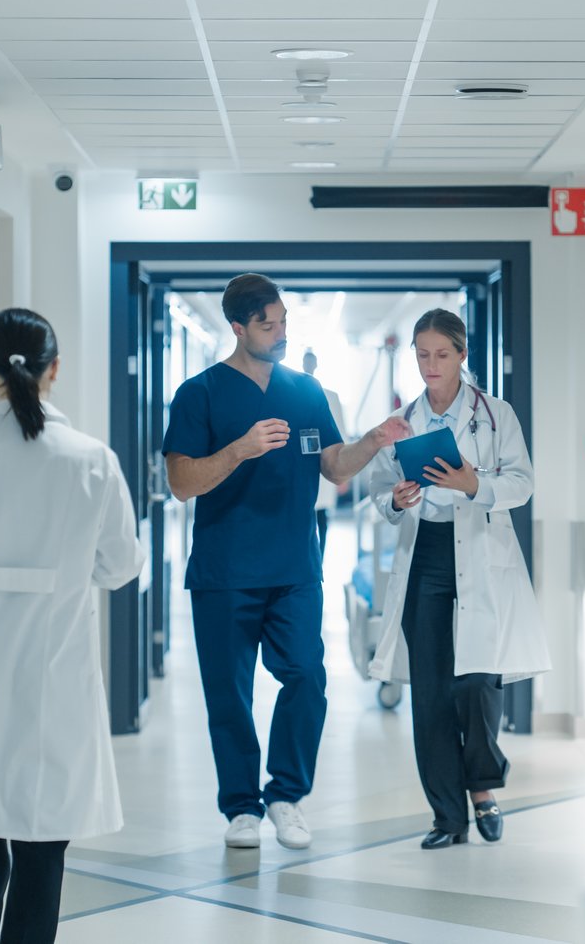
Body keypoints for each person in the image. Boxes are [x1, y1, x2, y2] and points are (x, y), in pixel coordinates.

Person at [0, 308, 142, 944]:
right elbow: (121, 566)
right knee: (43, 844)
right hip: (55, 673)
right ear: (54, 370)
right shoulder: (92, 461)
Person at [162, 274, 410, 851]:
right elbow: (180, 481)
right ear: (238, 328)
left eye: (282, 323)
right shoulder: (199, 394)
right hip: (225, 572)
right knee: (230, 694)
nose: (278, 333)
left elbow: (335, 465)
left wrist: (372, 440)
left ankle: (286, 795)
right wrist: (239, 449)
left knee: (306, 676)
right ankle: (241, 808)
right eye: (267, 325)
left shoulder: (305, 392)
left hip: (295, 566)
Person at [360, 309, 549, 850]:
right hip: (426, 556)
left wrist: (474, 484)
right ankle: (448, 816)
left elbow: (523, 482)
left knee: (477, 684)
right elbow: (379, 483)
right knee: (432, 694)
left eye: (441, 354)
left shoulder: (496, 415)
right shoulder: (402, 420)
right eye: (422, 354)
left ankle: (483, 787)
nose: (431, 365)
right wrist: (393, 499)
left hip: (480, 554)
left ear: (462, 355)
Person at [303, 349, 350, 561]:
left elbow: (340, 432)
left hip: (328, 459)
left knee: (322, 515)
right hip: (304, 463)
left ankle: (319, 559)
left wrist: (345, 474)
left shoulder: (330, 396)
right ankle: (307, 558)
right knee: (305, 513)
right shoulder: (295, 392)